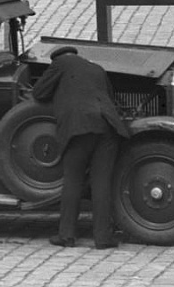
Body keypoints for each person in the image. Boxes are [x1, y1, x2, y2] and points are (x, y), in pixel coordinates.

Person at [32, 46, 129, 249]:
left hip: (78, 127)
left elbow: (39, 92)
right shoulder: (97, 68)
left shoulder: (60, 64)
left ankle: (66, 235)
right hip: (107, 127)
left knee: (73, 180)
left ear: (57, 59)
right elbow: (109, 96)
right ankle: (103, 238)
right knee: (101, 182)